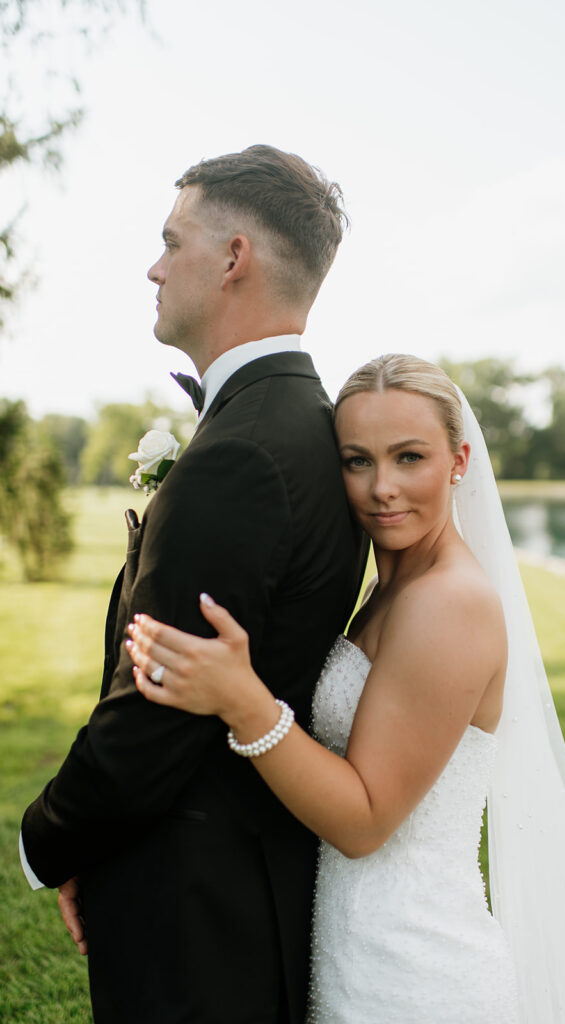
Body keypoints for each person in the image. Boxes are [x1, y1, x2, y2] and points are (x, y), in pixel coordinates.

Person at [124, 354, 565, 1024]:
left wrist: (242, 700)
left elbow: (364, 822)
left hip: (414, 977)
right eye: (357, 461)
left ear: (459, 461)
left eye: (409, 457)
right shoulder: (395, 588)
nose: (382, 487)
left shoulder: (449, 604)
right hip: (361, 950)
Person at [20, 145, 367, 1024]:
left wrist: (50, 840)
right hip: (250, 879)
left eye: (171, 241)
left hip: (191, 904)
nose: (153, 265)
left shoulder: (243, 452)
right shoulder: (303, 425)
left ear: (233, 258)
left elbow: (158, 708)